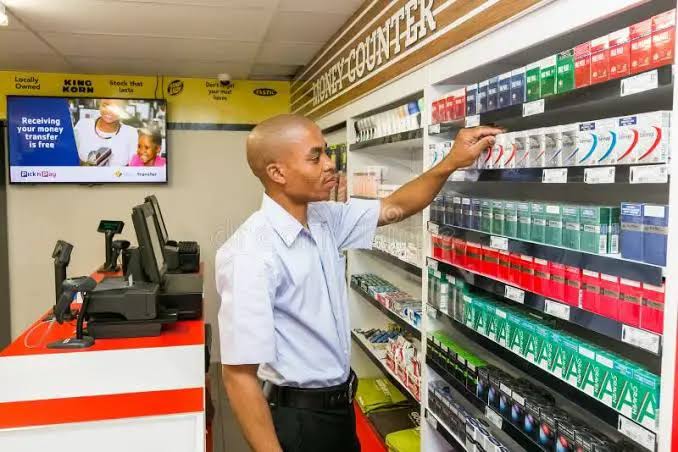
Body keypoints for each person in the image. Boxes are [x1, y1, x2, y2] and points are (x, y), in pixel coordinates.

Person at [216, 114, 501, 452]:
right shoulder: (249, 253)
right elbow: (238, 376)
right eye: (315, 157)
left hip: (339, 409)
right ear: (278, 173)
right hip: (299, 420)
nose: (330, 164)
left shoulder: (324, 218)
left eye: (326, 152)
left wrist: (451, 161)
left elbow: (395, 206)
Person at [73, 99, 138, 166]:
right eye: (105, 105)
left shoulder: (131, 133)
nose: (109, 111)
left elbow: (133, 167)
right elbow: (70, 156)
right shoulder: (83, 125)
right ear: (99, 104)